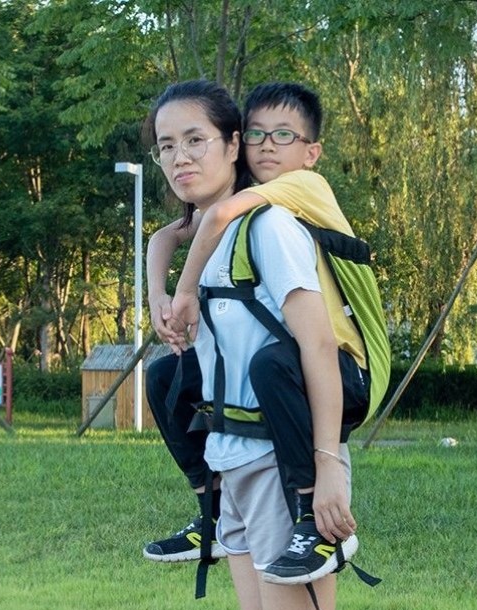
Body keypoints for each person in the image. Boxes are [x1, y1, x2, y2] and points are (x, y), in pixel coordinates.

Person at [148, 78, 352, 610]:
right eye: (166, 145)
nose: (179, 157)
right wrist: (158, 271)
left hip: (281, 462)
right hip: (230, 465)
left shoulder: (269, 228)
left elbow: (318, 348)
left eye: (195, 140)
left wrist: (326, 470)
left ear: (234, 145)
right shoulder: (211, 238)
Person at [144, 82, 371, 583]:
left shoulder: (290, 196)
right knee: (165, 377)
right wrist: (157, 296)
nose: (268, 146)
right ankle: (210, 508)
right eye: (166, 146)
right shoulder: (229, 211)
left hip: (338, 371)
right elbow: (168, 233)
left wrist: (181, 294)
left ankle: (313, 513)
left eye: (284, 135)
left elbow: (218, 216)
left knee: (267, 362)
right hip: (253, 430)